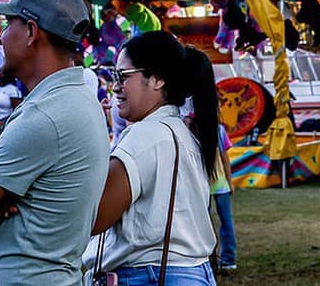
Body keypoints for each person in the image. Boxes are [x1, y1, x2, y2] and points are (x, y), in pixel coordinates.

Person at [0, 0, 110, 286]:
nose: (2, 39)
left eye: (8, 24)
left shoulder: (46, 115)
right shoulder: (76, 99)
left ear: (32, 32)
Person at [87, 32, 221, 285]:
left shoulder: (144, 136)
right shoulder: (183, 135)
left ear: (158, 79)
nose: (115, 86)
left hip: (149, 275)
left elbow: (93, 218)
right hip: (193, 273)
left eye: (123, 76)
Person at [211, 122, 237, 274]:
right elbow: (225, 157)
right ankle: (226, 259)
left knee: (223, 222)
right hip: (217, 184)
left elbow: (224, 157)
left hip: (216, 184)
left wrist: (229, 181)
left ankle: (225, 259)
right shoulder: (218, 129)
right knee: (225, 221)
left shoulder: (217, 129)